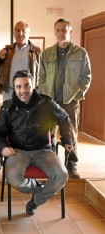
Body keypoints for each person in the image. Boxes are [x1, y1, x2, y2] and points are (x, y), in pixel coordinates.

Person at [0, 70, 74, 216]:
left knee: (61, 175)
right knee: (14, 178)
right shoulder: (7, 107)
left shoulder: (46, 103)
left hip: (43, 150)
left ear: (33, 85)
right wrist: (3, 147)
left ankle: (35, 201)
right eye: (19, 87)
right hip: (18, 151)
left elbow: (64, 118)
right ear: (14, 88)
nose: (23, 90)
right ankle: (38, 188)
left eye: (26, 86)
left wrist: (67, 140)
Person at [39, 18, 92, 179]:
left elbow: (86, 77)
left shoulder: (80, 53)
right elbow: (40, 77)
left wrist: (77, 96)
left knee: (70, 133)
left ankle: (72, 165)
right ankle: (52, 165)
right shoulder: (46, 53)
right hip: (51, 101)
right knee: (49, 134)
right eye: (59, 30)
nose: (62, 32)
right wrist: (45, 97)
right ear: (55, 32)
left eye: (65, 29)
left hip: (70, 101)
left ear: (70, 32)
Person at [0, 21, 41, 101]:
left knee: (28, 113)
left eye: (23, 31)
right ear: (14, 33)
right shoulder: (7, 50)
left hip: (28, 93)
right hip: (9, 93)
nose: (20, 33)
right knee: (9, 113)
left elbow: (42, 73)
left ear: (28, 33)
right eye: (17, 30)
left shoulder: (37, 52)